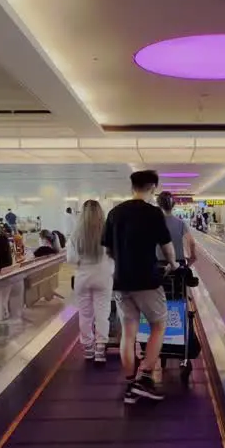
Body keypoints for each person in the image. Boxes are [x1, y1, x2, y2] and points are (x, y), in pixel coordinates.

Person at [102, 170, 176, 403]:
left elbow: (108, 250)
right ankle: (144, 377)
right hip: (147, 280)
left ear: (132, 186)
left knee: (128, 331)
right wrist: (172, 264)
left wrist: (124, 262)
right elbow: (166, 246)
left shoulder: (115, 213)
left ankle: (130, 382)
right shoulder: (153, 213)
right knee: (159, 325)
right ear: (152, 187)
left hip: (121, 281)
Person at [68, 199, 113, 362]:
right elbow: (114, 254)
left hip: (83, 278)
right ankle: (100, 348)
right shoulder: (108, 231)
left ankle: (88, 348)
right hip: (103, 277)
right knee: (103, 314)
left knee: (85, 314)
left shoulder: (75, 234)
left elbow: (71, 259)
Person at [158, 191, 198, 266]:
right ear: (173, 205)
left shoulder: (153, 223)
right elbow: (192, 242)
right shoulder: (180, 223)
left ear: (159, 205)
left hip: (159, 262)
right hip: (178, 261)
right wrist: (192, 256)